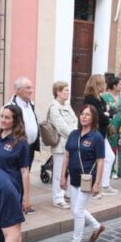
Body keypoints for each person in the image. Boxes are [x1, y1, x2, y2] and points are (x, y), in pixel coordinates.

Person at [61, 105, 105, 242]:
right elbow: (66, 155)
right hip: (73, 178)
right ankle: (97, 226)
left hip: (87, 180)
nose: (83, 116)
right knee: (76, 209)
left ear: (93, 118)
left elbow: (100, 161)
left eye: (87, 114)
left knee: (78, 211)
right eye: (82, 113)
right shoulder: (73, 134)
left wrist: (97, 183)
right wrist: (62, 176)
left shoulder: (96, 137)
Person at [0, 105, 31, 213]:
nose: (2, 120)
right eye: (2, 116)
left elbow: (25, 171)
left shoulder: (21, 142)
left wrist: (26, 198)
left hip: (10, 190)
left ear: (15, 120)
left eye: (7, 118)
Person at [83, 74, 116, 197]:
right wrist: (107, 115)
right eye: (103, 83)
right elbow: (99, 116)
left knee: (109, 157)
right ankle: (93, 188)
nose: (105, 85)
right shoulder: (90, 99)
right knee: (95, 161)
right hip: (94, 133)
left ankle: (104, 185)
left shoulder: (100, 99)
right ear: (98, 84)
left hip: (102, 134)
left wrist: (107, 115)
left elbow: (108, 113)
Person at [47, 81, 77, 209]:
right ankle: (58, 198)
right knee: (59, 172)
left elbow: (75, 120)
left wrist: (75, 132)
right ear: (58, 92)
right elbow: (61, 127)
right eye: (65, 90)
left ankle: (68, 192)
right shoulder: (54, 108)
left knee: (69, 170)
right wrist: (74, 134)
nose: (68, 92)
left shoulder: (67, 106)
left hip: (70, 142)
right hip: (60, 145)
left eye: (68, 90)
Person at [9, 78, 40, 178]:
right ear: (18, 90)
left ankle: (23, 192)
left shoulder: (31, 104)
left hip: (30, 147)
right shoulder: (11, 107)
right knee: (17, 175)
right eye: (28, 88)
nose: (31, 90)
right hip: (18, 147)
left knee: (26, 174)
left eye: (31, 87)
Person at [102, 76, 121, 179]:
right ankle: (111, 171)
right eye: (120, 84)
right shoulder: (105, 97)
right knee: (112, 147)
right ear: (114, 85)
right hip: (111, 124)